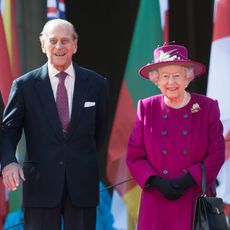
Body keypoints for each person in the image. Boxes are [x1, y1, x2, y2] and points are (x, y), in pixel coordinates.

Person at [0, 19, 109, 230]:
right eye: (53, 41)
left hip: (82, 185)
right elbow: (9, 129)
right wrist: (8, 162)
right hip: (39, 186)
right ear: (43, 45)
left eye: (65, 40)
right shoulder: (24, 85)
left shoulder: (96, 84)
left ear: (75, 45)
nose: (59, 47)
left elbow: (100, 131)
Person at [126, 44, 225, 230]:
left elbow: (217, 153)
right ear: (156, 80)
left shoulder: (207, 107)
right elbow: (134, 156)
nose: (171, 82)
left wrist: (189, 180)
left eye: (177, 75)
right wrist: (156, 181)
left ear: (188, 77)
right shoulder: (146, 108)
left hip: (194, 200)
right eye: (165, 76)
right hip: (157, 200)